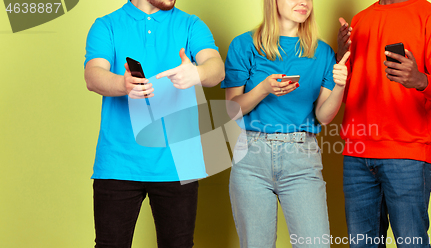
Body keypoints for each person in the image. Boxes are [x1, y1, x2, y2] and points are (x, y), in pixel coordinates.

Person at [83, 0, 224, 247]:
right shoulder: (106, 25)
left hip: (179, 163)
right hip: (119, 162)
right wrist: (123, 85)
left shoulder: (191, 25)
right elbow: (93, 75)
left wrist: (198, 73)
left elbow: (217, 68)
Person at [336, 0, 431, 247]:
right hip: (357, 154)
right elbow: (344, 94)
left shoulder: (428, 16)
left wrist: (419, 79)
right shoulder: (360, 20)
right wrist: (342, 55)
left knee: (411, 243)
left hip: (407, 154)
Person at [222, 0, 349, 247]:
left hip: (302, 157)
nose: (303, 2)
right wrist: (263, 89)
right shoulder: (244, 45)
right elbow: (231, 110)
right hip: (251, 158)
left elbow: (323, 116)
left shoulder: (322, 52)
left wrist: (340, 86)